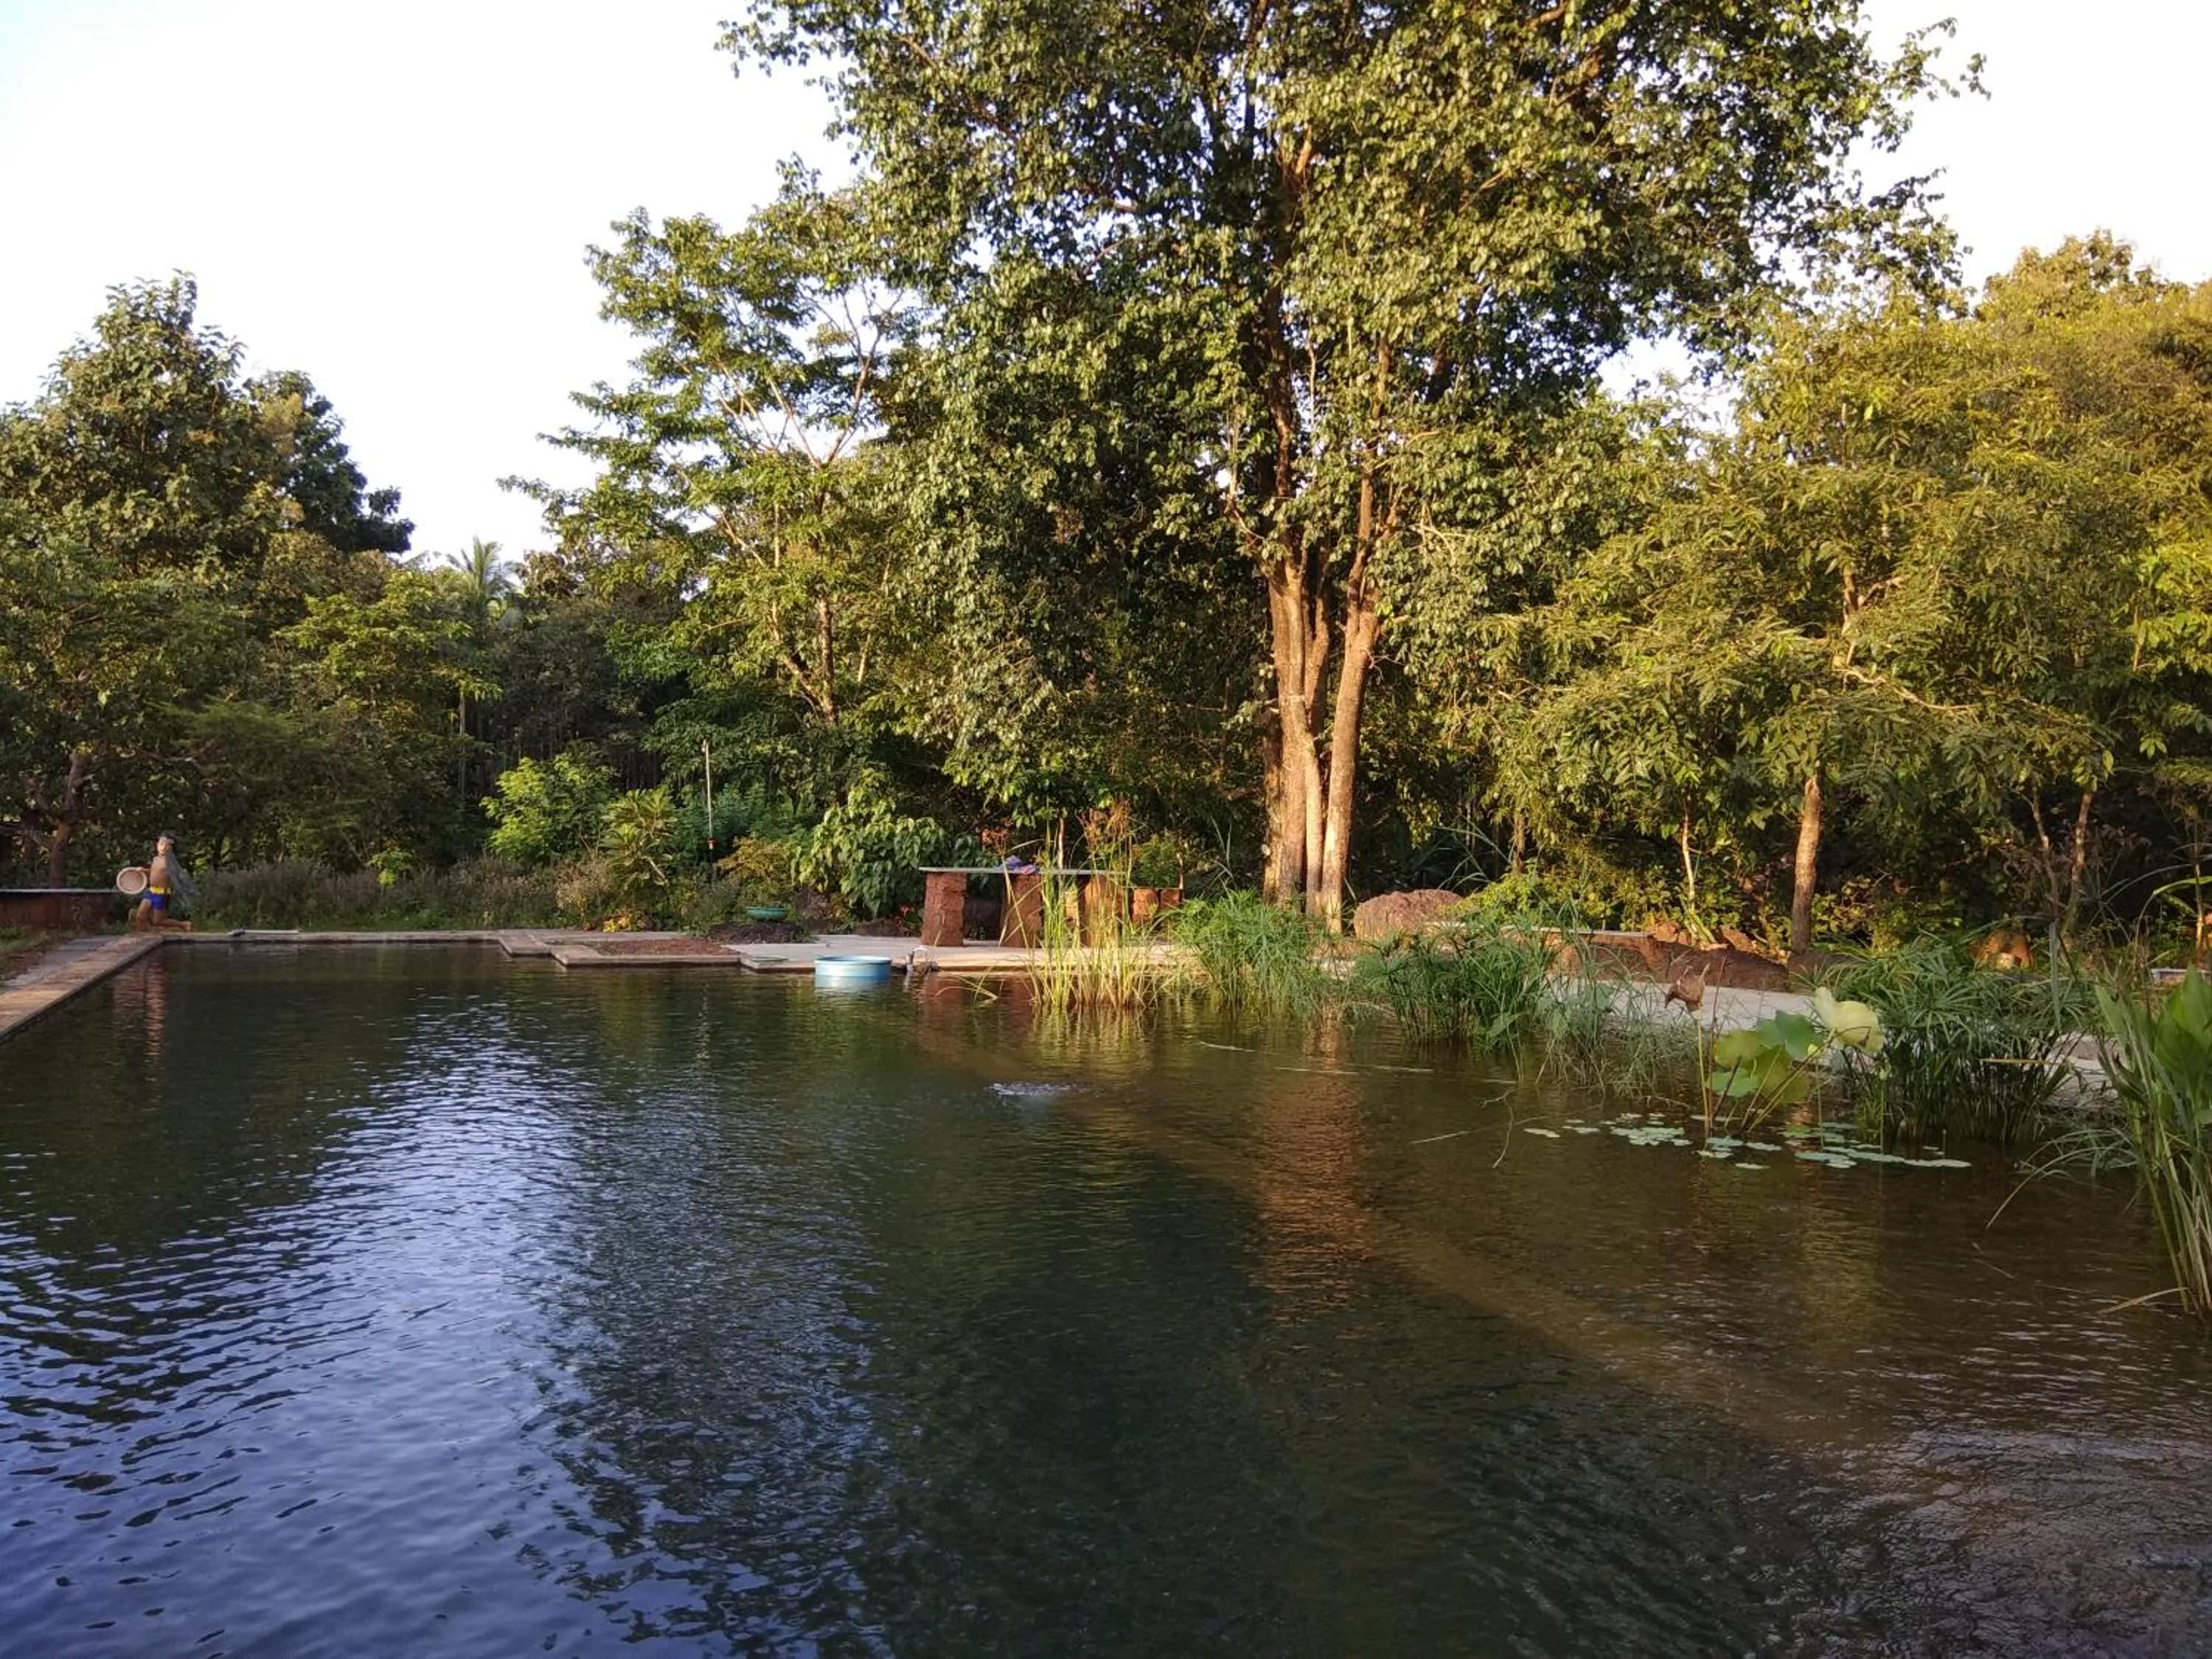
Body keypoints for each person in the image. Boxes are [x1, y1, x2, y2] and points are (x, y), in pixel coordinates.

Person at [132, 832, 191, 933]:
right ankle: (141, 934)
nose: (163, 848)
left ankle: (184, 924)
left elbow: (177, 874)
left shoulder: (170, 862)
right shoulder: (156, 859)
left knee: (158, 921)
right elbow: (153, 872)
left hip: (161, 893)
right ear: (157, 845)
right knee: (140, 916)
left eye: (166, 845)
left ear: (171, 848)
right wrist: (143, 870)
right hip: (151, 891)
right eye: (161, 845)